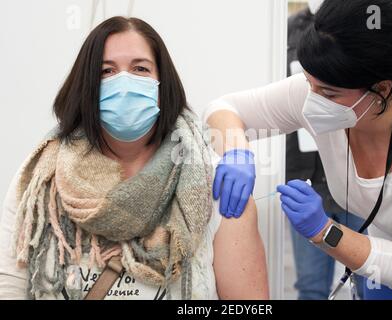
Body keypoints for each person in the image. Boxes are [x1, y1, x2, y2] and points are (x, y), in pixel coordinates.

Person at [0, 16, 268, 300]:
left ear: (162, 85)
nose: (124, 82)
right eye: (106, 71)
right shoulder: (43, 178)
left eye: (140, 68)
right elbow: (10, 286)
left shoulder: (215, 187)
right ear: (86, 86)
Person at [205, 0, 392, 300]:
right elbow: (224, 109)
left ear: (382, 90)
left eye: (328, 93)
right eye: (309, 83)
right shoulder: (322, 91)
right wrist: (236, 152)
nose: (311, 101)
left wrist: (324, 231)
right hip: (386, 250)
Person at [286, 4, 365, 300]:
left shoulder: (367, 23)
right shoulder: (290, 30)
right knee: (310, 286)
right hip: (306, 179)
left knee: (371, 282)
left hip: (358, 179)